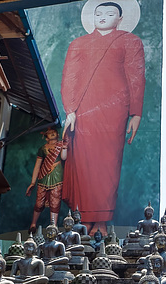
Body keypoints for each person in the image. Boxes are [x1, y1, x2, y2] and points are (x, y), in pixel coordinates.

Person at [61, 1, 145, 234]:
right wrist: (70, 110)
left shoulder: (130, 41)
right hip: (84, 109)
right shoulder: (78, 44)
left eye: (110, 14)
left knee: (108, 164)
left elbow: (136, 77)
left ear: (119, 19)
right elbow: (69, 78)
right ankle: (84, 217)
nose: (103, 17)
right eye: (98, 13)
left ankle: (101, 221)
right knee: (84, 163)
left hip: (114, 109)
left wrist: (135, 113)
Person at [26, 127, 68, 232]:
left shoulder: (60, 145)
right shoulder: (42, 149)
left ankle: (53, 226)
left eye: (54, 132)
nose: (52, 133)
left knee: (55, 201)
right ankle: (33, 224)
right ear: (46, 137)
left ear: (57, 134)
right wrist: (32, 182)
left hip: (57, 176)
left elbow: (63, 158)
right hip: (43, 177)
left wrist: (64, 148)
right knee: (39, 202)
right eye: (49, 133)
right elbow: (37, 166)